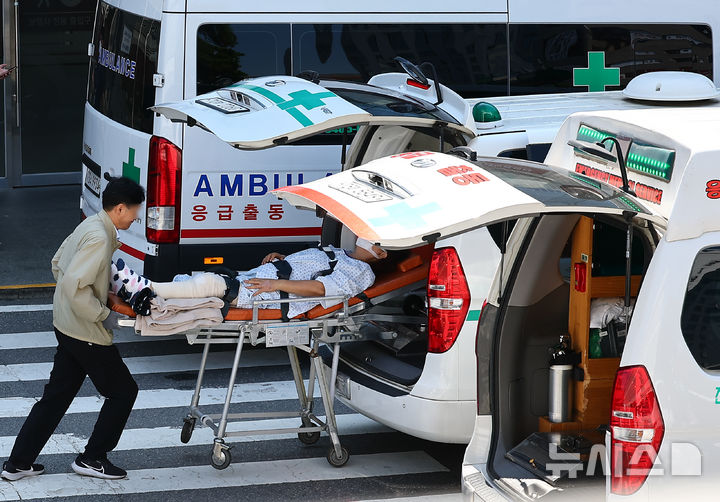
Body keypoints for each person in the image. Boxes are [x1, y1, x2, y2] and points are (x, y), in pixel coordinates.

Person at [1, 177, 145, 481]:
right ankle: (93, 458)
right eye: (135, 211)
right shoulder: (100, 238)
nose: (136, 217)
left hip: (65, 323)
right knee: (123, 391)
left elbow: (58, 264)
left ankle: (18, 463)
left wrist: (98, 290)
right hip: (84, 331)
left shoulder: (90, 224)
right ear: (120, 208)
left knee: (57, 396)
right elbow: (73, 284)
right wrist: (103, 313)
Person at [112, 238, 388, 319]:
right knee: (193, 280)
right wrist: (282, 259)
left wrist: (276, 283)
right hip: (264, 279)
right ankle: (138, 294)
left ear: (381, 252)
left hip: (274, 296)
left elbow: (320, 288)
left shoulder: (361, 271)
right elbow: (311, 269)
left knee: (214, 285)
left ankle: (146, 286)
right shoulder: (337, 251)